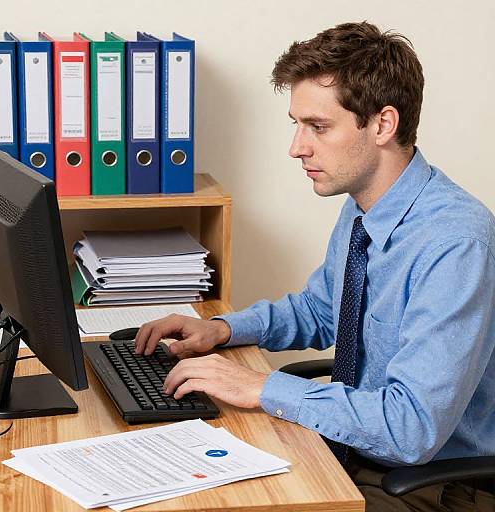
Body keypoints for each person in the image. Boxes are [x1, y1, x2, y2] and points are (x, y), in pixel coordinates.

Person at [134, 22, 495, 510]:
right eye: (297, 124)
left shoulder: (454, 244)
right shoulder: (366, 204)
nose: (297, 147)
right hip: (351, 450)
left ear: (383, 124)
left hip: (427, 485)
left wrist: (262, 386)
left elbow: (412, 428)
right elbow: (324, 309)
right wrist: (220, 329)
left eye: (318, 127)